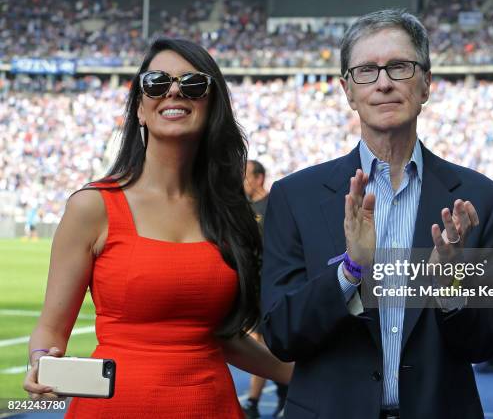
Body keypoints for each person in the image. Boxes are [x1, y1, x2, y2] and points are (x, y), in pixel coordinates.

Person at [260, 9, 493, 419]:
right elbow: (281, 334)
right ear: (347, 90)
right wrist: (350, 271)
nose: (383, 83)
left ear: (426, 83)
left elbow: (487, 343)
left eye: (399, 66)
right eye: (366, 71)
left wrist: (446, 281)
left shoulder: (480, 200)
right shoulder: (295, 197)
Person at [23, 37, 292, 417]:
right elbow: (50, 331)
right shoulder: (92, 206)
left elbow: (218, 338)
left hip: (209, 406)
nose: (174, 91)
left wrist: (305, 375)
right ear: (139, 109)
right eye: (156, 82)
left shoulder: (231, 214)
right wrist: (40, 360)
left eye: (194, 83)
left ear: (212, 105)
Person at [242, 159, 288, 418]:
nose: (242, 181)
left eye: (246, 175)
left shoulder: (275, 204)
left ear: (259, 178)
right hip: (253, 284)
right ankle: (276, 395)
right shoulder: (245, 208)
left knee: (265, 341)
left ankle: (255, 401)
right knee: (261, 341)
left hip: (270, 284)